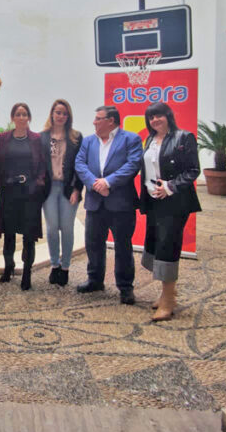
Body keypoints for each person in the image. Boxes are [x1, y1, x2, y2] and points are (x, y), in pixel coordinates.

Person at [75, 105, 143, 304]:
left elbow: (133, 164)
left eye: (98, 118)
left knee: (123, 246)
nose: (94, 122)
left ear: (111, 121)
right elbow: (80, 164)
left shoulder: (131, 139)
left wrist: (108, 182)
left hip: (121, 203)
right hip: (95, 203)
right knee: (93, 243)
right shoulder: (88, 141)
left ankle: (125, 287)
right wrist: (96, 184)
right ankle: (95, 280)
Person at [139, 101, 201, 322]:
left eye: (159, 116)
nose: (155, 120)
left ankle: (167, 302)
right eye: (151, 117)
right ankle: (168, 294)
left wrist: (169, 187)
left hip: (174, 203)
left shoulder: (184, 137)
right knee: (156, 245)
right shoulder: (149, 140)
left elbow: (193, 170)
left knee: (168, 247)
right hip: (154, 202)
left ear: (168, 116)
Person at [0, 103, 47, 291]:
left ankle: (27, 273)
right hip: (9, 191)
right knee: (8, 235)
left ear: (29, 118)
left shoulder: (36, 139)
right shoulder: (3, 138)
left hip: (30, 193)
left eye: (25, 114)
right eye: (18, 114)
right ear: (13, 117)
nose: (22, 117)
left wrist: (38, 184)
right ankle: (9, 267)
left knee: (28, 236)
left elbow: (42, 165)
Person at [41, 99, 83, 287]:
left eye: (64, 113)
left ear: (69, 116)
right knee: (51, 229)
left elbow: (81, 166)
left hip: (68, 189)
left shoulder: (76, 137)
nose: (61, 116)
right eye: (58, 112)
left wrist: (77, 189)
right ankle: (54, 265)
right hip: (49, 189)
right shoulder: (42, 137)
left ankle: (65, 267)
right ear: (52, 114)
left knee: (66, 228)